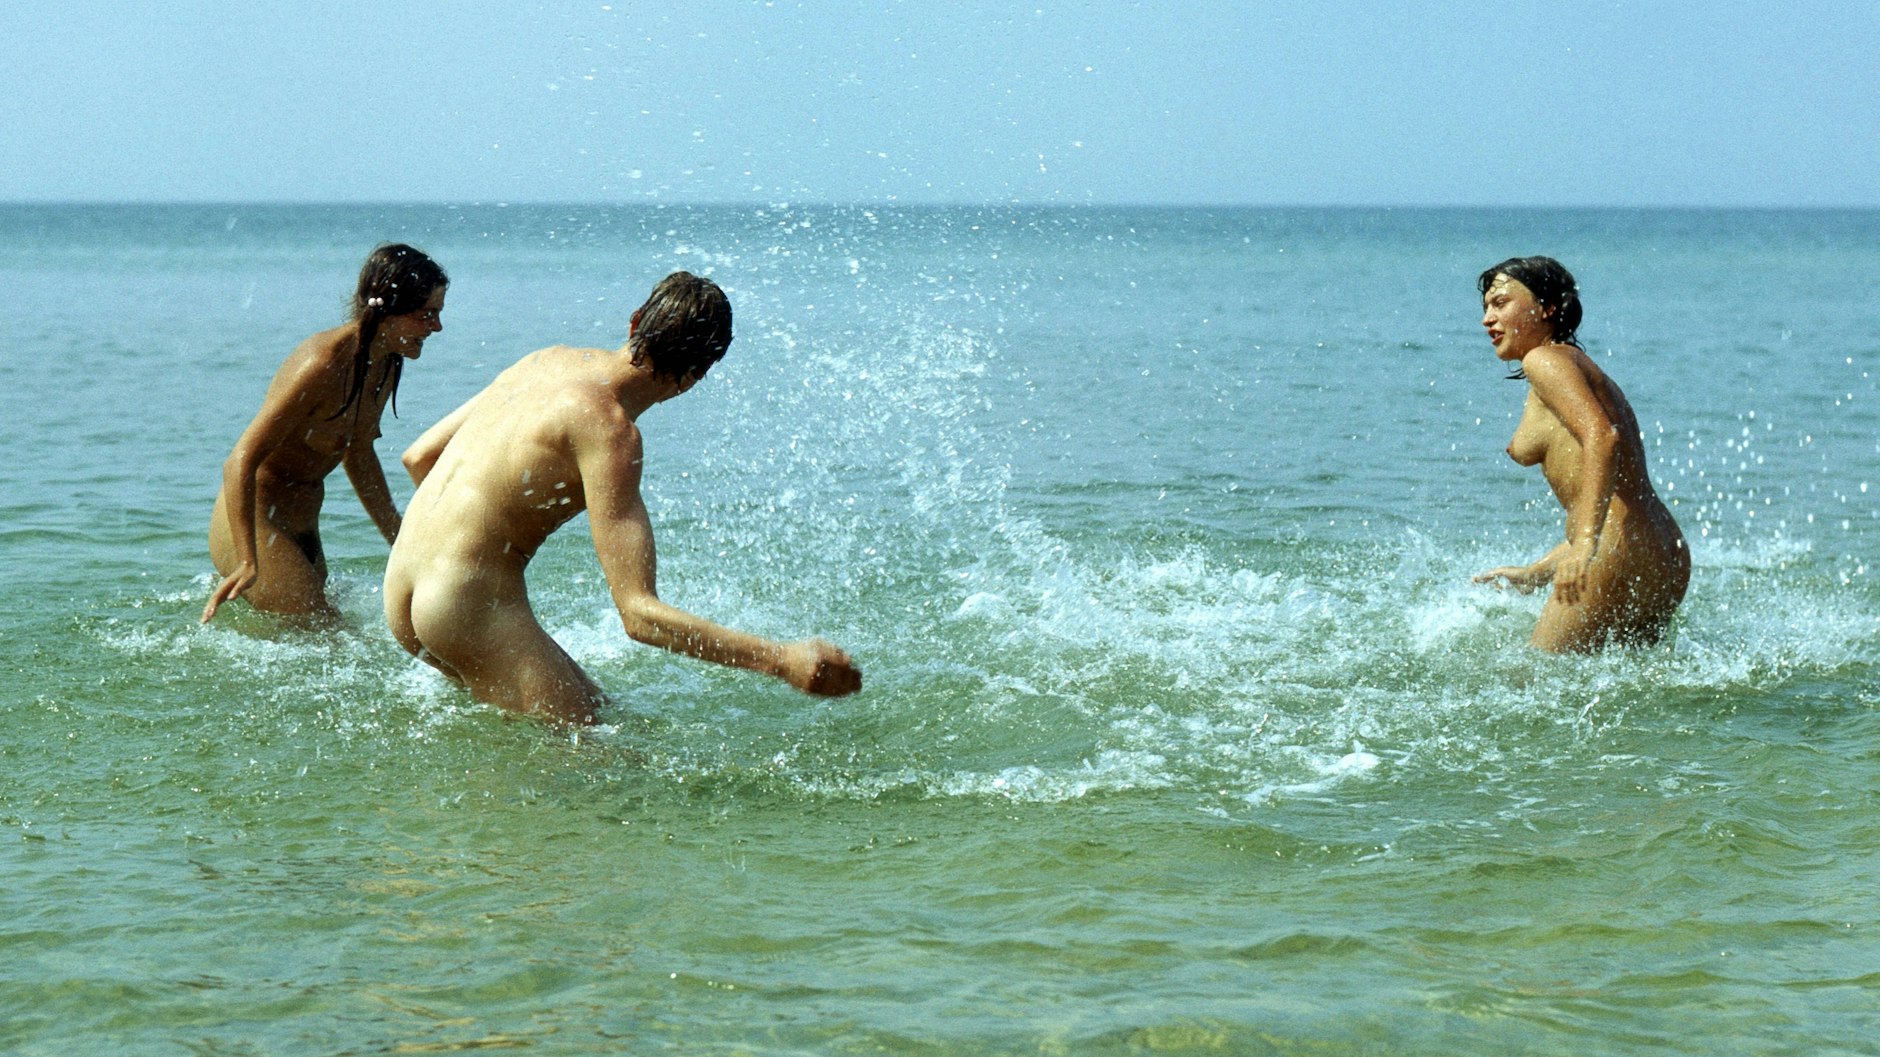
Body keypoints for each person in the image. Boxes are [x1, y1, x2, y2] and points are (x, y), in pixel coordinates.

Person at [383, 271, 862, 724]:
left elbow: (419, 457)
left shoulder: (544, 360)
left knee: (602, 718)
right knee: (601, 767)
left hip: (401, 585)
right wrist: (782, 660)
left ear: (635, 321)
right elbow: (638, 615)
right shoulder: (612, 435)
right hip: (463, 607)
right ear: (698, 374)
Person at [203, 244, 449, 624]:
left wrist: (401, 542)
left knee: (326, 636)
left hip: (303, 523)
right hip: (257, 521)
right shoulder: (321, 363)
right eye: (426, 315)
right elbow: (240, 460)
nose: (437, 327)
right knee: (325, 636)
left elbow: (359, 455)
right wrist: (248, 559)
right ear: (387, 311)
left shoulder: (385, 361)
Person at [1472, 256, 1691, 652]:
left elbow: (1601, 438)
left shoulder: (1545, 361)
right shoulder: (1576, 368)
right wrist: (1535, 573)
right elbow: (1617, 497)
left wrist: (1587, 545)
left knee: (1531, 685)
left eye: (1501, 303)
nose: (1488, 318)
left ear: (1547, 308)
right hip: (1663, 548)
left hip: (1614, 547)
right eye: (1486, 306)